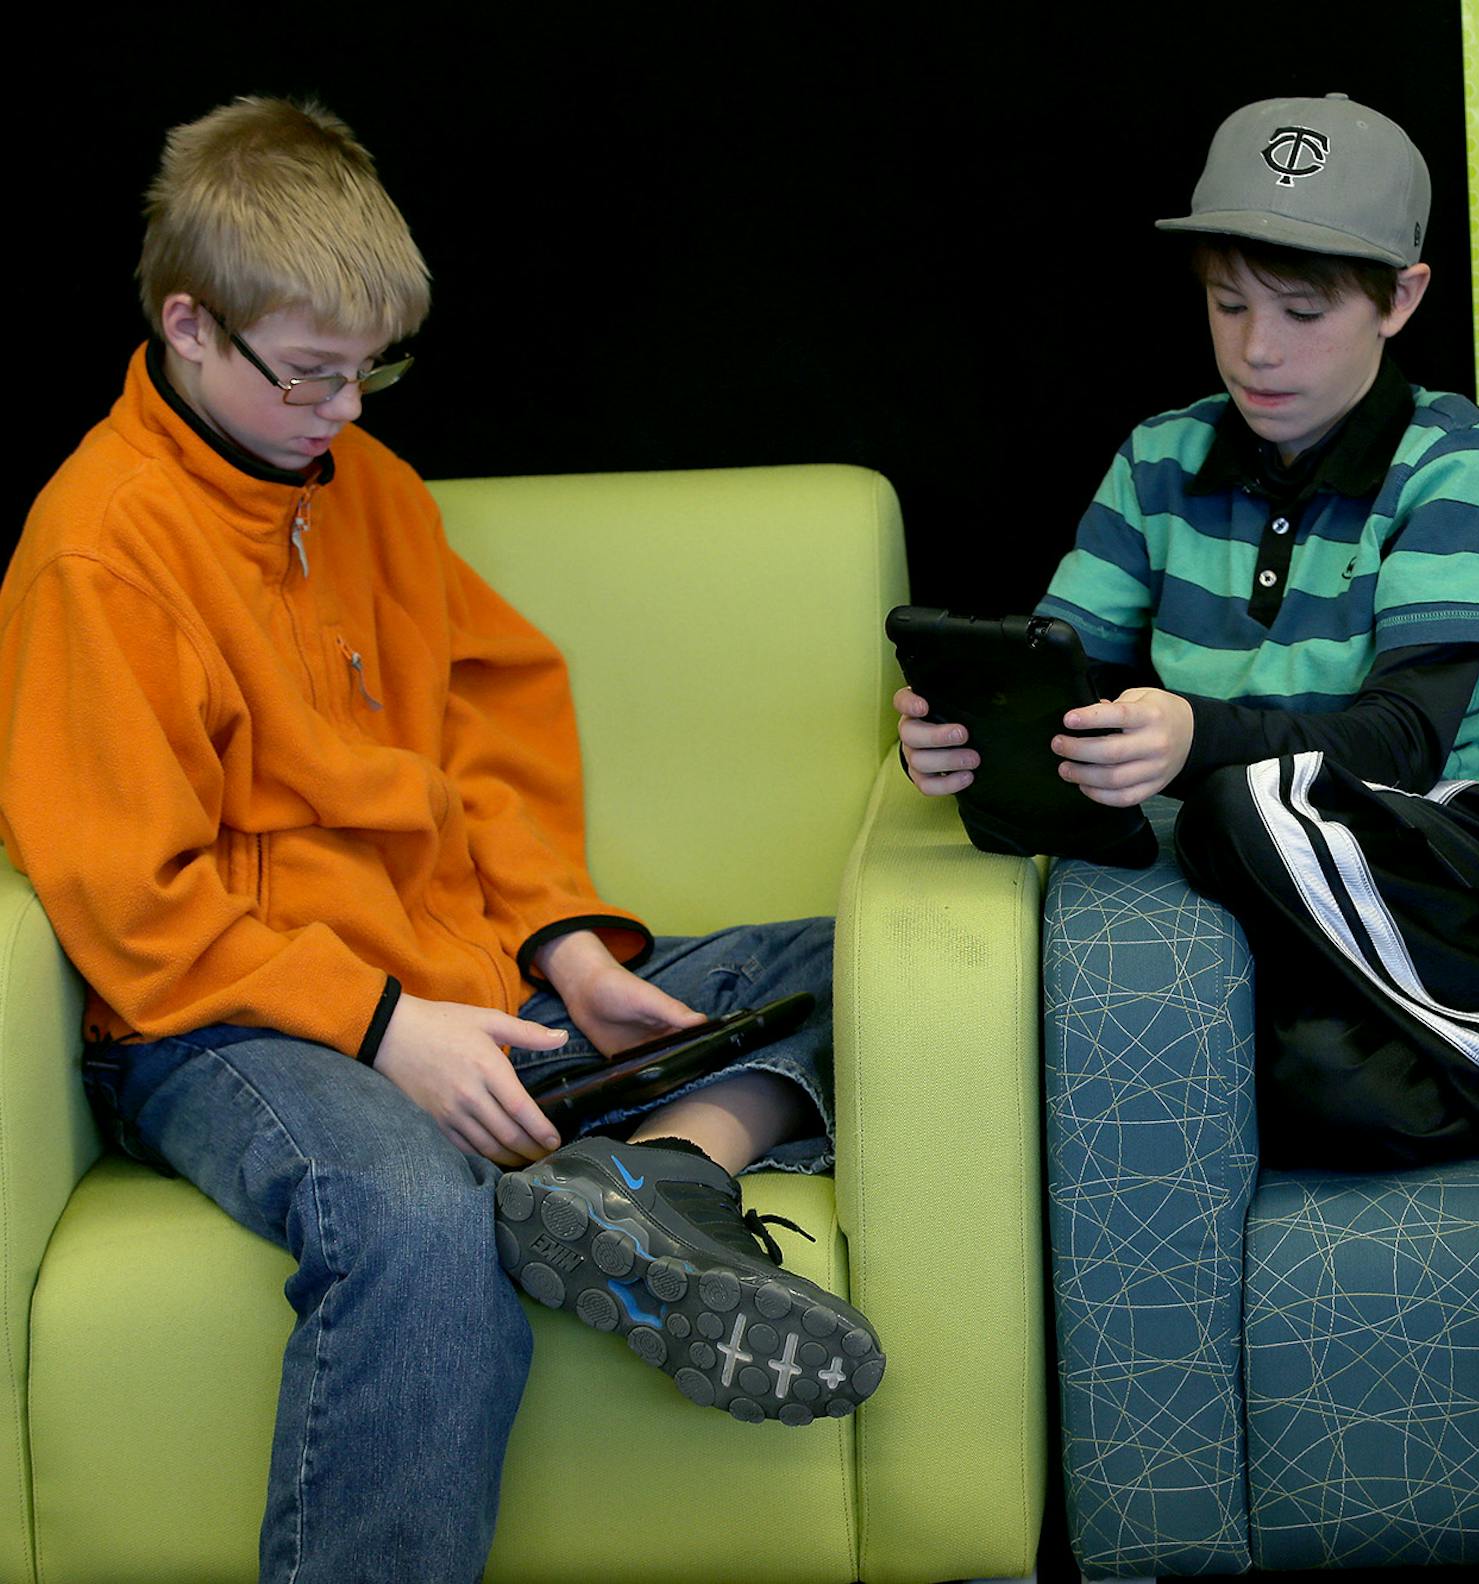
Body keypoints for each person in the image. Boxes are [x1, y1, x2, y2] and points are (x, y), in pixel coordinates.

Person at [0, 96, 880, 1583]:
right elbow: (130, 907)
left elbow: (484, 743)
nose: (348, 411)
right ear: (190, 326)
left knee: (844, 970)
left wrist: (566, 950)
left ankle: (645, 1179)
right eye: (313, 375)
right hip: (228, 1025)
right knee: (413, 1218)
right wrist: (385, 1026)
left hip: (460, 980)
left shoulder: (375, 496)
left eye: (373, 371)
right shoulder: (98, 551)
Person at [896, 94, 1479, 1175]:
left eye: (1303, 313)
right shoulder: (1160, 457)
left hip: (1454, 858)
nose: (1257, 350)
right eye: (1228, 306)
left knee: (1237, 802)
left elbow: (1404, 743)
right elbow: (1051, 662)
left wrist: (1190, 742)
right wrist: (973, 728)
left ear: (1399, 300)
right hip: (1278, 883)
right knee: (1315, 1086)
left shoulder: (1457, 459)